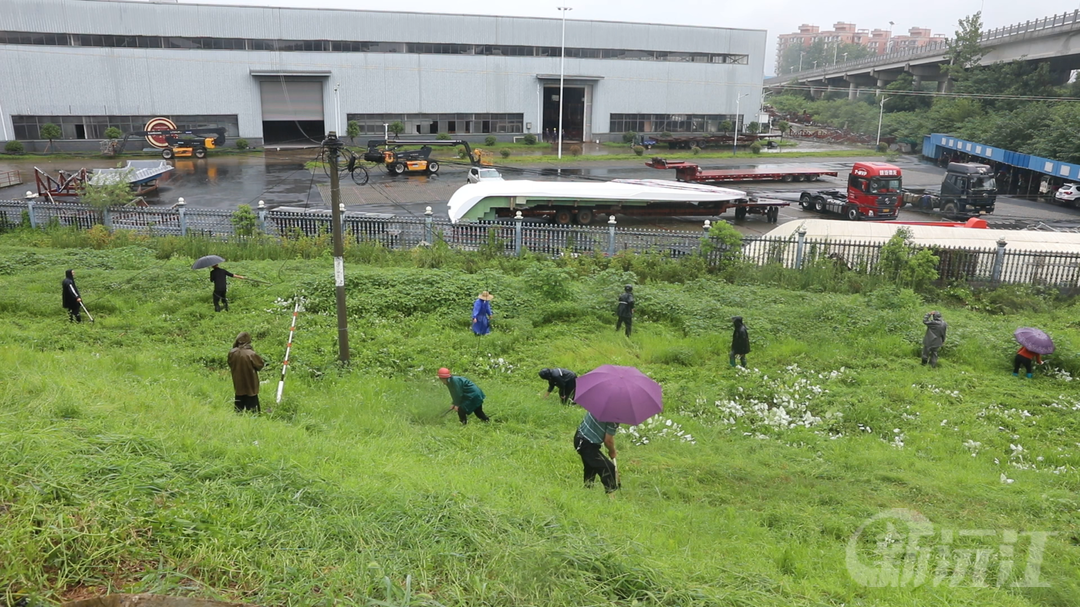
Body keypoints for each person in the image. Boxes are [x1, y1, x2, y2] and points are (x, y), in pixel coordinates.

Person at [574, 411, 619, 494]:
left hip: (579, 436)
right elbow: (608, 441)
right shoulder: (614, 419)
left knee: (591, 467)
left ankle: (587, 491)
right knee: (608, 468)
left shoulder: (599, 405)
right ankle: (612, 497)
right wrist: (612, 451)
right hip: (586, 444)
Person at [228, 332, 265, 413]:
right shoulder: (251, 354)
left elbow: (230, 364)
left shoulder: (232, 353)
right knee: (253, 408)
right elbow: (260, 365)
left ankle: (238, 417)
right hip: (250, 383)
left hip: (238, 382)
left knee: (238, 406)